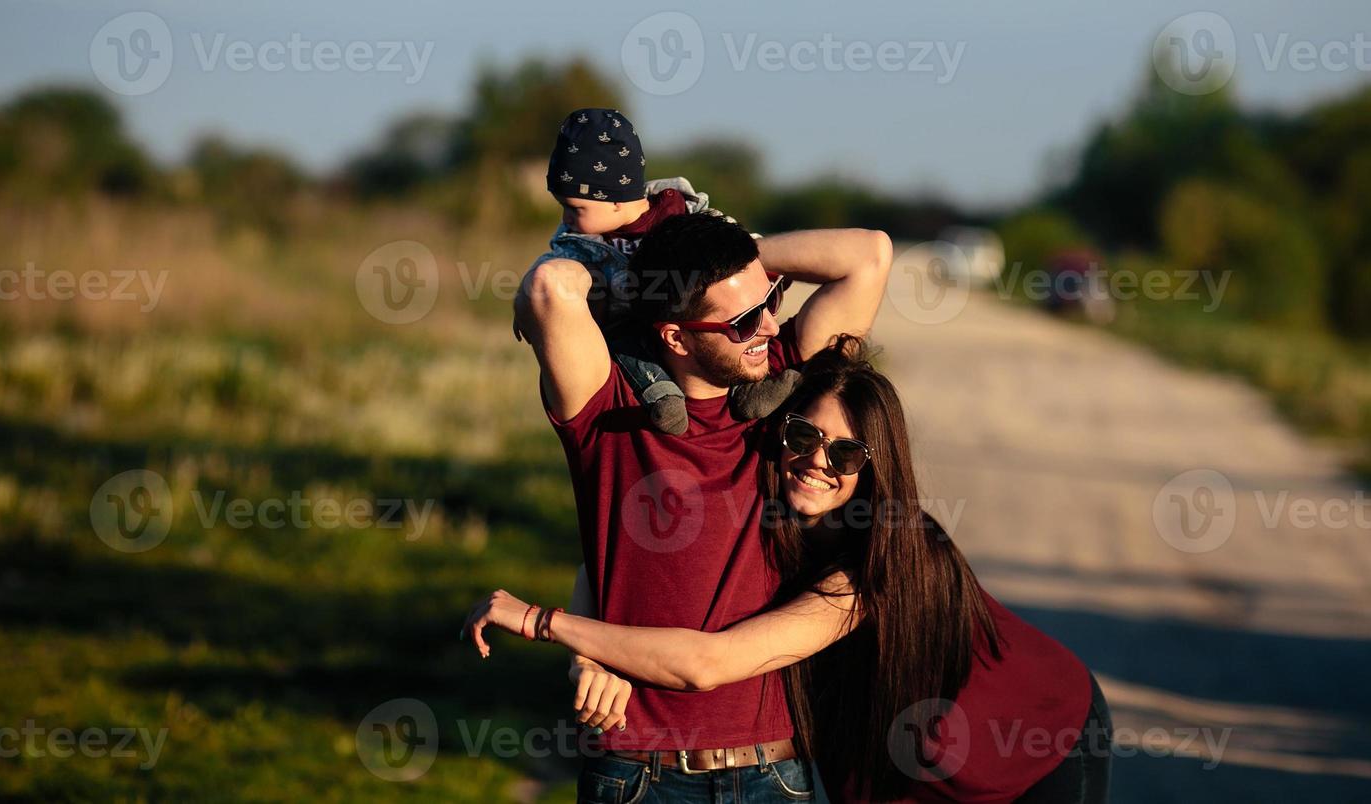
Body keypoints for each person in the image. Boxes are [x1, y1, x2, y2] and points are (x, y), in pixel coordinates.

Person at [465, 336, 1111, 804]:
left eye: (848, 453)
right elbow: (613, 561)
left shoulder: (874, 564)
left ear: (876, 467)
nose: (817, 461)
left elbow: (707, 664)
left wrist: (543, 622)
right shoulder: (762, 507)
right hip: (908, 749)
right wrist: (593, 659)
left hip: (1038, 735)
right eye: (805, 437)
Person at [506, 207, 893, 801]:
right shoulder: (607, 408)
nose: (767, 325)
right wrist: (637, 273)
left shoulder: (786, 398)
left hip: (778, 773)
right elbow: (551, 287)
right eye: (742, 320)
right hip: (640, 774)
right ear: (676, 335)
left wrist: (738, 255)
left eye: (771, 302)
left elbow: (868, 254)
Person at [531, 106, 801, 434]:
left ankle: (750, 389)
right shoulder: (581, 240)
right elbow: (552, 268)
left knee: (728, 333)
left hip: (688, 321)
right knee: (624, 344)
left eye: (575, 209)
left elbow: (727, 239)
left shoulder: (679, 212)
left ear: (615, 199)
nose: (566, 220)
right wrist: (529, 302)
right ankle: (661, 397)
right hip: (629, 327)